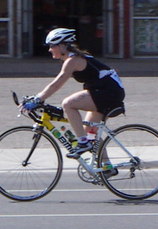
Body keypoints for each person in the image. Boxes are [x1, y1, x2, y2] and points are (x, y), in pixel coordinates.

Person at [22, 28, 125, 159]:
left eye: (52, 46)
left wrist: (37, 99)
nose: (49, 49)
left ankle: (82, 143)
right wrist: (38, 97)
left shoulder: (73, 61)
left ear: (63, 45)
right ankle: (106, 168)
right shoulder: (76, 58)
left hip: (108, 93)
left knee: (68, 104)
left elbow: (57, 84)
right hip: (106, 92)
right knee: (90, 134)